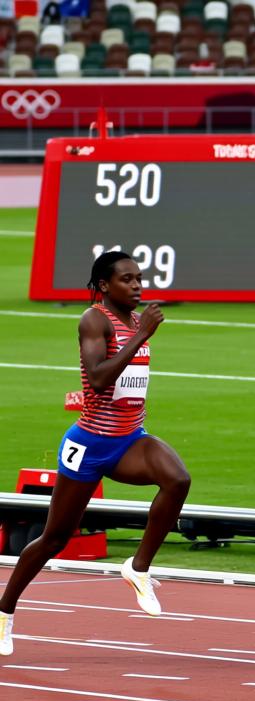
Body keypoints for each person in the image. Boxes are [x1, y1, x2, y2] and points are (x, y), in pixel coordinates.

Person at [0, 251, 190, 655]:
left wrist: (141, 331)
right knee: (54, 538)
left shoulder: (136, 319)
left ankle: (137, 568)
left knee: (178, 479)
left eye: (139, 278)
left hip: (129, 440)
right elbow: (100, 380)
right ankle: (4, 611)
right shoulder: (94, 319)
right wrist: (142, 338)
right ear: (104, 286)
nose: (137, 285)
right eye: (127, 279)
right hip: (88, 445)